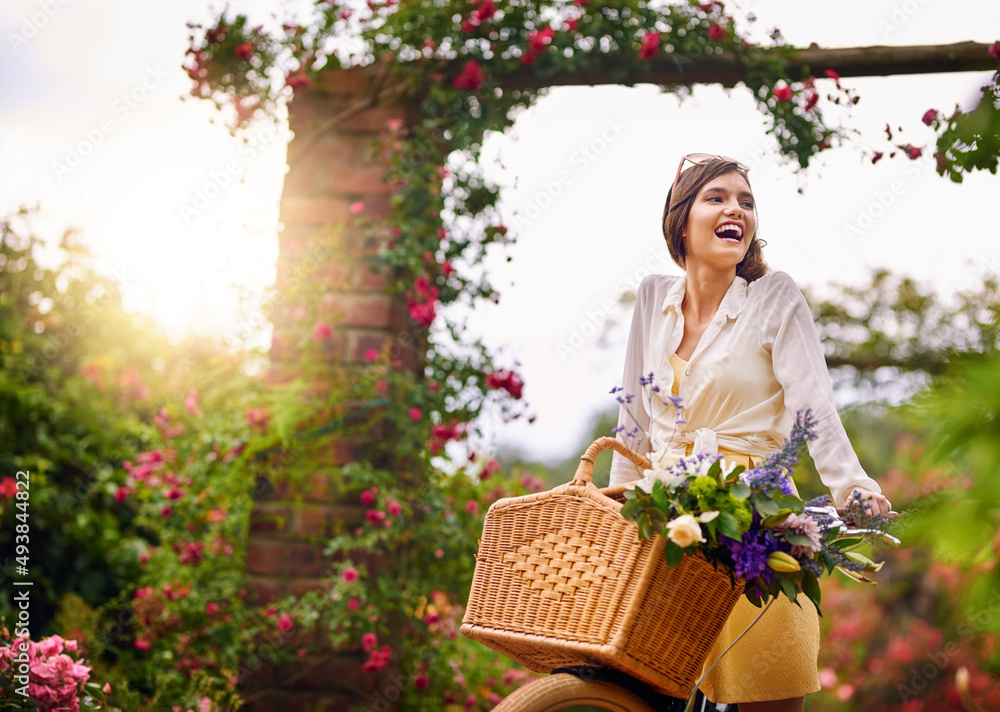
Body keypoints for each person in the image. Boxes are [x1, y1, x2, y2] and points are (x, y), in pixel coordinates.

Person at [608, 154, 893, 712]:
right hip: (663, 517)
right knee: (636, 688)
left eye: (746, 201)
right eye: (716, 197)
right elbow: (633, 423)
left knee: (770, 691)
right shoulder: (652, 298)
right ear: (681, 220)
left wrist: (851, 486)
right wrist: (616, 502)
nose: (735, 208)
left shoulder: (774, 298)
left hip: (755, 516)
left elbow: (816, 406)